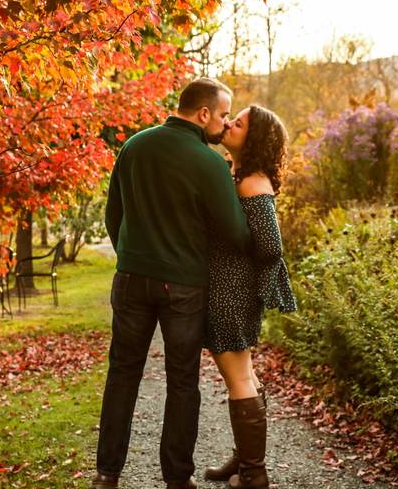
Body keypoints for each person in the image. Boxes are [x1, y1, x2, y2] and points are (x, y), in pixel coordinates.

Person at [91, 77, 252, 489]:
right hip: (182, 287)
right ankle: (177, 479)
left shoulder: (134, 146)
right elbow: (236, 233)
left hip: (130, 280)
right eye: (221, 115)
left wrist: (132, 256)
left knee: (122, 375)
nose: (224, 123)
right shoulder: (209, 163)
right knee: (183, 381)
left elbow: (114, 216)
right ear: (203, 114)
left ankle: (107, 475)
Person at [202, 104, 297, 489]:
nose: (228, 124)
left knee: (238, 377)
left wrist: (247, 278)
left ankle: (254, 475)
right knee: (246, 375)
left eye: (237, 123)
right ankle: (244, 462)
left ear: (253, 138)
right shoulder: (238, 174)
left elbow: (271, 247)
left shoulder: (252, 182)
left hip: (231, 290)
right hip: (230, 287)